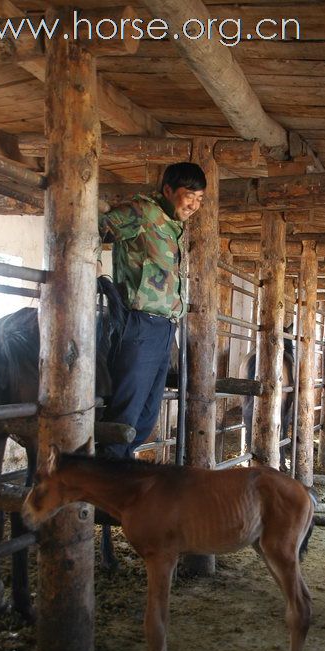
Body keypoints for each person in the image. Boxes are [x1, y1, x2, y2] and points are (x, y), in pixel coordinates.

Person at [98, 162, 206, 459]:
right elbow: (98, 225)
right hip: (139, 324)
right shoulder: (142, 212)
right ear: (168, 190)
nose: (194, 205)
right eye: (189, 196)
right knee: (126, 415)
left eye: (200, 199)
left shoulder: (172, 226)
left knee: (145, 418)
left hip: (163, 328)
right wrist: (91, 266)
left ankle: (118, 473)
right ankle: (108, 490)